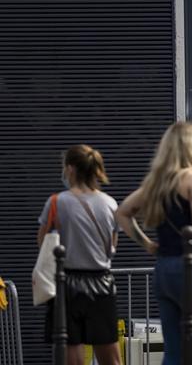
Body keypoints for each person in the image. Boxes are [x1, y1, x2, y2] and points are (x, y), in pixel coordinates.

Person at [116, 122, 192, 364]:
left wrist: (147, 244)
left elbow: (123, 212)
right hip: (191, 269)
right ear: (187, 147)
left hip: (163, 269)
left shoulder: (157, 184)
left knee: (173, 352)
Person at [37, 145, 120, 365]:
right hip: (102, 282)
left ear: (71, 169)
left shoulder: (57, 202)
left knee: (72, 353)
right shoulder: (110, 204)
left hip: (67, 285)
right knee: (109, 354)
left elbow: (42, 242)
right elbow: (111, 248)